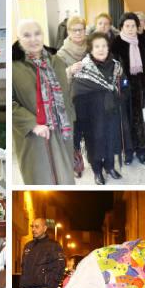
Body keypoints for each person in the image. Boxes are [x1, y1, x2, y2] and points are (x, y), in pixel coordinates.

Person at [13, 19, 75, 185]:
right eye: (27, 35)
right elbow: (9, 104)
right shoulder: (13, 67)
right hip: (35, 137)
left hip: (63, 134)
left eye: (37, 33)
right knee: (42, 181)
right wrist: (33, 124)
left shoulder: (57, 61)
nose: (33, 39)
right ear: (18, 38)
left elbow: (66, 96)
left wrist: (72, 123)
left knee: (65, 181)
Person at [72, 32, 127, 184]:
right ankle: (97, 170)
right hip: (92, 114)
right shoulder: (84, 68)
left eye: (104, 46)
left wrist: (120, 97)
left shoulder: (116, 66)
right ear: (91, 49)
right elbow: (76, 93)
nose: (101, 49)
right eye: (97, 46)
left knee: (110, 140)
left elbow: (124, 85)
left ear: (108, 48)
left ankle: (109, 166)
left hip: (111, 112)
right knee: (94, 142)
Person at [110, 12, 145, 165]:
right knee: (126, 123)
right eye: (127, 26)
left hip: (144, 89)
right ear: (122, 27)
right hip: (125, 91)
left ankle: (141, 152)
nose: (131, 28)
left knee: (143, 122)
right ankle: (128, 153)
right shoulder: (116, 44)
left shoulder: (144, 42)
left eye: (133, 25)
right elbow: (111, 69)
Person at [57, 15, 88, 175]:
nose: (78, 33)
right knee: (75, 133)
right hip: (72, 98)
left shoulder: (91, 46)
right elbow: (56, 77)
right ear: (68, 32)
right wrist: (69, 71)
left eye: (81, 29)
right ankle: (76, 163)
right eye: (74, 30)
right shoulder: (62, 53)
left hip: (91, 95)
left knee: (91, 130)